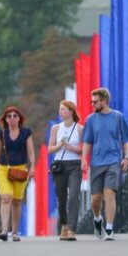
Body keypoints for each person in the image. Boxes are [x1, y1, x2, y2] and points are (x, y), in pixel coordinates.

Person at [80, 87, 128, 241]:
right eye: (91, 101)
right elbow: (87, 142)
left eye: (95, 101)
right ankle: (98, 219)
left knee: (109, 193)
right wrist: (84, 159)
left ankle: (109, 228)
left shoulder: (117, 117)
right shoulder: (90, 119)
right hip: (96, 162)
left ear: (104, 101)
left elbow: (125, 139)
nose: (92, 104)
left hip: (113, 161)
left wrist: (127, 157)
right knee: (96, 198)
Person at [0, 105, 35, 242]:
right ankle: (4, 230)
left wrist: (32, 167)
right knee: (6, 197)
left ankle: (15, 232)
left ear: (19, 118)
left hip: (20, 170)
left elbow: (31, 151)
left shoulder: (26, 133)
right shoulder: (2, 134)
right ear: (5, 119)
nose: (12, 118)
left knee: (17, 201)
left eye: (15, 115)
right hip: (4, 169)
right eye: (9, 116)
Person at [47, 99, 83, 241]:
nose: (60, 112)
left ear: (71, 111)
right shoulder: (56, 128)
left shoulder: (80, 129)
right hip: (60, 165)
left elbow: (84, 150)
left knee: (73, 196)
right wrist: (60, 146)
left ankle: (72, 230)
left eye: (63, 109)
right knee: (61, 198)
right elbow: (50, 149)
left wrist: (73, 148)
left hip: (74, 165)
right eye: (60, 109)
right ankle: (64, 226)